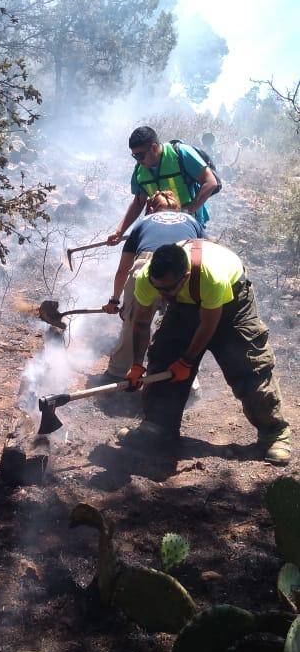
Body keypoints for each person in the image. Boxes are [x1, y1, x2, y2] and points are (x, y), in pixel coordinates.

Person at [121, 240, 291, 466]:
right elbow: (141, 323)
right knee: (163, 362)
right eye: (158, 288)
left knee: (248, 368)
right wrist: (136, 364)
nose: (162, 294)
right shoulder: (147, 278)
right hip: (185, 304)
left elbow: (208, 326)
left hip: (232, 306)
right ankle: (158, 428)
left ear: (186, 275)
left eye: (168, 289)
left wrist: (186, 361)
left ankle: (274, 434)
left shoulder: (212, 277)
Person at [101, 189, 205, 378]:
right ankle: (184, 376)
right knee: (181, 324)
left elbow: (123, 269)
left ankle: (118, 372)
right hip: (183, 269)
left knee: (135, 321)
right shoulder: (192, 221)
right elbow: (202, 252)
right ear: (177, 207)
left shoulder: (143, 222)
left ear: (150, 208)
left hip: (147, 266)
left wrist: (115, 301)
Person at [107, 125, 219, 244]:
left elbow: (210, 181)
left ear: (154, 148)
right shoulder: (140, 171)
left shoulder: (180, 153)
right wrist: (119, 232)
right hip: (161, 225)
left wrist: (189, 210)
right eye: (134, 156)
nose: (138, 160)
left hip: (190, 223)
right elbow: (138, 203)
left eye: (140, 156)